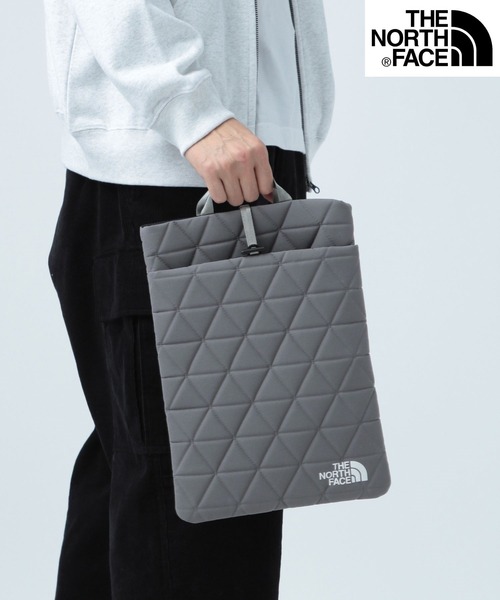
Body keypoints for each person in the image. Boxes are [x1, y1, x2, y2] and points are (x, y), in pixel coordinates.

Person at [43, 0, 334, 598]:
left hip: (248, 160)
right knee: (200, 518)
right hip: (173, 163)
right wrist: (192, 110)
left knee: (150, 483)